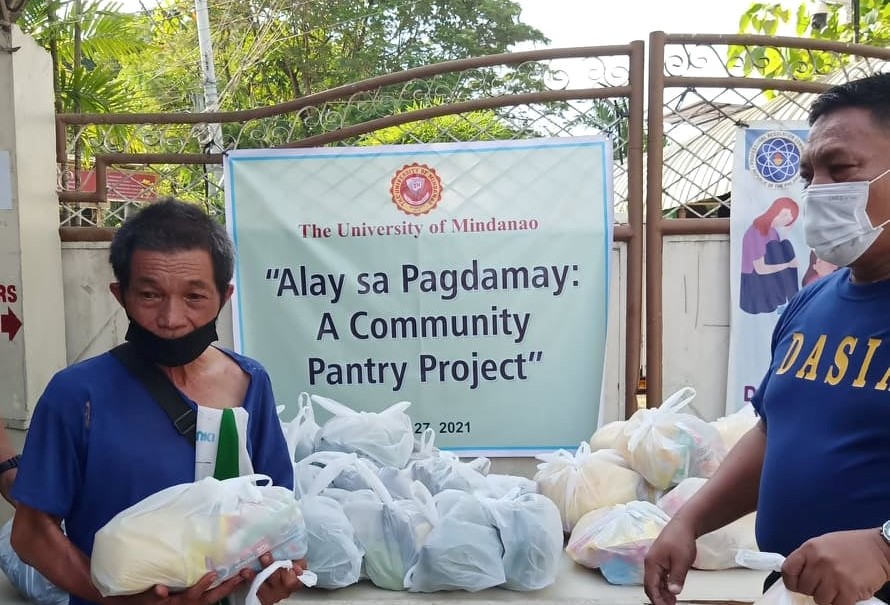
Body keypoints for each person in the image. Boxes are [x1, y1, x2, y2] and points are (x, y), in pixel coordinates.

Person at [644, 72, 890, 605]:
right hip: (790, 590)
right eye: (809, 175)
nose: (818, 192)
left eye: (841, 169)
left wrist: (885, 546)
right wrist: (691, 519)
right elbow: (776, 426)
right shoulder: (812, 302)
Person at [10, 199, 304, 605]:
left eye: (194, 297)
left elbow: (273, 508)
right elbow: (31, 532)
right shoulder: (77, 394)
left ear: (225, 295)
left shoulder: (249, 381)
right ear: (120, 295)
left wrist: (268, 579)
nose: (170, 318)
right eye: (149, 295)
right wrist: (115, 602)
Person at [739, 196, 800, 314]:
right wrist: (788, 265)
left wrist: (787, 234)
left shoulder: (772, 231)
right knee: (780, 246)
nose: (788, 219)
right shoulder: (756, 231)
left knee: (786, 245)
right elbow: (760, 269)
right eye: (785, 215)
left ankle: (793, 300)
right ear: (775, 210)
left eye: (791, 218)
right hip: (754, 286)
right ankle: (792, 300)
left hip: (770, 283)